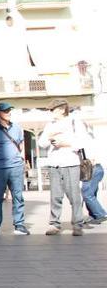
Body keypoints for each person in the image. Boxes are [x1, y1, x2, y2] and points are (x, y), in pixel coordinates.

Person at [38, 99, 86, 236]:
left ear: (61, 109)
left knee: (74, 195)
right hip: (54, 163)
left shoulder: (75, 122)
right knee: (55, 195)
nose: (50, 112)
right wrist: (50, 136)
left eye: (52, 110)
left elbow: (83, 141)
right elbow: (42, 144)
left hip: (71, 162)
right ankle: (54, 224)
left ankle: (77, 224)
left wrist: (66, 143)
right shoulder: (50, 125)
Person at [0, 102, 29, 236]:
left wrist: (20, 160)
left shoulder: (17, 128)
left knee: (18, 196)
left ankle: (19, 225)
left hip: (15, 167)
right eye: (5, 111)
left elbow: (20, 146)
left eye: (9, 110)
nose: (8, 113)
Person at [77, 118, 106, 225]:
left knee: (87, 193)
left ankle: (100, 214)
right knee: (91, 193)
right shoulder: (90, 137)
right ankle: (93, 215)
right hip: (96, 168)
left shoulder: (84, 138)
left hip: (92, 168)